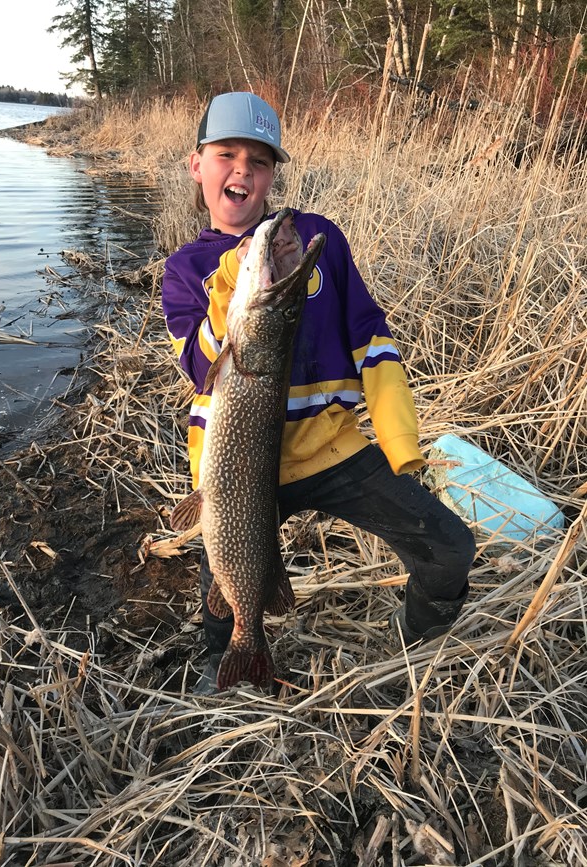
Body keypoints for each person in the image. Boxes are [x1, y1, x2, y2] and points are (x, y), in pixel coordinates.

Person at [161, 92, 476, 693]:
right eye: (226, 153)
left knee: (450, 550)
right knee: (225, 588)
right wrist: (233, 279)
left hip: (332, 451)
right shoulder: (184, 271)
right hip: (236, 474)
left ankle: (418, 664)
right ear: (197, 164)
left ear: (274, 173)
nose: (243, 169)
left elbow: (371, 339)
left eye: (259, 159)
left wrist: (400, 441)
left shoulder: (313, 239)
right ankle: (228, 671)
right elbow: (199, 369)